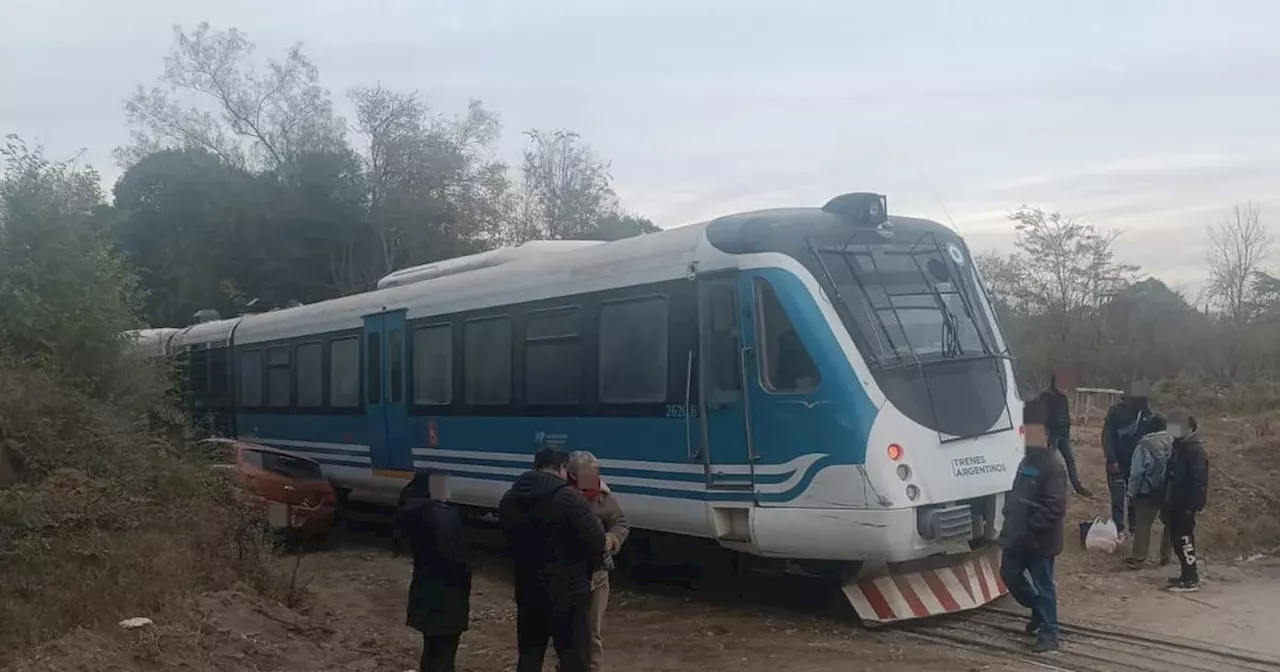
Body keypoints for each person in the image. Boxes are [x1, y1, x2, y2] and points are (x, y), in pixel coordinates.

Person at [499, 448, 607, 672]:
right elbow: (596, 541)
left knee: (530, 656)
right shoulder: (569, 499)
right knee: (574, 659)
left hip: (528, 592)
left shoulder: (509, 499)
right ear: (561, 468)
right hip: (568, 595)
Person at [998, 396, 1067, 653]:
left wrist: (1032, 529)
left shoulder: (1054, 466)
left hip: (1039, 541)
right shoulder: (1026, 461)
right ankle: (1037, 609)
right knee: (1009, 575)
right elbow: (1016, 492)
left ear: (1046, 433)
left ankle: (1050, 632)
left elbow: (1055, 507)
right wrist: (1009, 511)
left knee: (1044, 584)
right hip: (1016, 536)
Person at [395, 470, 472, 672]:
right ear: (434, 489)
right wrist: (465, 573)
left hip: (425, 587)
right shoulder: (441, 515)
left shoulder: (413, 511)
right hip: (448, 594)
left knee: (432, 649)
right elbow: (453, 558)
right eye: (442, 486)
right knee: (445, 652)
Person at [567, 451, 631, 672]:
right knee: (571, 628)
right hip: (569, 573)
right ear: (572, 474)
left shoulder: (604, 497)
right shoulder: (563, 497)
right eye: (587, 472)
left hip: (597, 573)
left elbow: (621, 523)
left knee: (593, 631)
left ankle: (594, 667)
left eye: (595, 471)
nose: (593, 476)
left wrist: (612, 540)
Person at [1163, 410, 1209, 592]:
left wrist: (1193, 505)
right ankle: (1185, 574)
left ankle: (1191, 578)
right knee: (1176, 539)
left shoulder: (1194, 450)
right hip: (1175, 501)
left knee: (1184, 540)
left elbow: (1199, 481)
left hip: (1186, 504)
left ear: (1189, 427)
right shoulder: (1179, 446)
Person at [1125, 413, 1174, 570]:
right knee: (1169, 523)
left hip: (1147, 491)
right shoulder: (1174, 441)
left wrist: (1131, 493)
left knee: (1143, 525)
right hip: (1169, 490)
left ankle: (1139, 559)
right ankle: (1166, 556)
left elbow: (1136, 472)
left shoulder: (1144, 444)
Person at [1102, 388, 1151, 537]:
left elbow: (1150, 439)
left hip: (1136, 464)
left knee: (1134, 497)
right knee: (1118, 497)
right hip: (1118, 461)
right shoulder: (1115, 412)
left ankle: (1133, 528)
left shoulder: (1147, 415)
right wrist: (1111, 459)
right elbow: (1107, 436)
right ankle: (1119, 528)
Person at [1038, 373, 1091, 497]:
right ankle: (1043, 488)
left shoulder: (1063, 397)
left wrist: (1067, 426)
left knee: (1070, 460)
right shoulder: (1045, 396)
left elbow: (1065, 414)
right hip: (1052, 434)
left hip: (1063, 434)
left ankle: (1077, 486)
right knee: (1048, 462)